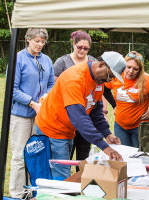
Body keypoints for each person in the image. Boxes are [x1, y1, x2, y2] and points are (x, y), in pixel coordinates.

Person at [35, 51, 126, 180]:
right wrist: (104, 146)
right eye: (109, 76)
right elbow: (79, 118)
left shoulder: (98, 82)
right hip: (52, 128)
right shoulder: (74, 78)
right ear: (101, 64)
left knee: (62, 170)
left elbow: (95, 112)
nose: (108, 80)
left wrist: (107, 134)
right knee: (62, 174)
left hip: (67, 129)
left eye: (111, 79)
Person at [9, 28, 55, 198]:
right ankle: (17, 192)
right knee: (20, 155)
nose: (40, 44)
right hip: (21, 115)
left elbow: (51, 83)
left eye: (42, 42)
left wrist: (46, 96)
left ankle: (33, 190)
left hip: (40, 115)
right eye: (37, 41)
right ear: (28, 40)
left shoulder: (47, 60)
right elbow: (11, 89)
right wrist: (32, 102)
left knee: (36, 153)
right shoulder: (18, 58)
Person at [53, 30, 106, 171]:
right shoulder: (62, 62)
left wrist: (103, 111)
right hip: (68, 114)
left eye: (86, 48)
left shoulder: (95, 63)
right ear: (73, 44)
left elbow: (99, 91)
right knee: (66, 156)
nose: (82, 50)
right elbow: (55, 88)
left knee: (84, 153)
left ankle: (82, 180)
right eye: (79, 47)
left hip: (86, 115)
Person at [104, 51, 149, 147]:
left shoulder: (147, 81)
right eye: (128, 67)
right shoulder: (116, 76)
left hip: (140, 127)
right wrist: (114, 105)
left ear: (140, 70)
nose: (131, 71)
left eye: (135, 69)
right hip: (120, 126)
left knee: (140, 157)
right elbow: (105, 90)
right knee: (125, 156)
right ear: (124, 65)